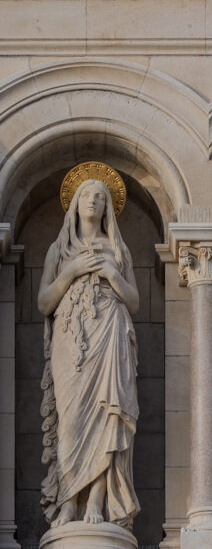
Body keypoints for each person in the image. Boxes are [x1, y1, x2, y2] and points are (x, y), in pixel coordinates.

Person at [38, 178, 141, 529]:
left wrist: (113, 274)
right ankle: (68, 502)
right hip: (70, 337)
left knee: (105, 415)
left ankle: (96, 499)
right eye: (87, 195)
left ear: (108, 206)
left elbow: (135, 301)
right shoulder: (59, 249)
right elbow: (43, 302)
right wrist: (69, 272)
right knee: (72, 419)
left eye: (101, 196)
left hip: (109, 333)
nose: (93, 200)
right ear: (75, 203)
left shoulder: (118, 249)